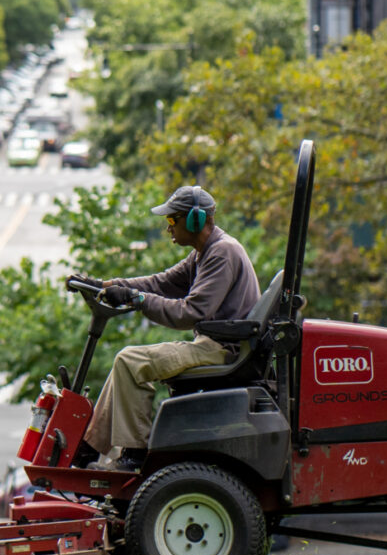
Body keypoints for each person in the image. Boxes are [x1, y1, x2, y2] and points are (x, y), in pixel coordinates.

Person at [67, 185, 260, 471]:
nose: (167, 228)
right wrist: (106, 285)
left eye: (172, 220)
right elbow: (161, 283)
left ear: (194, 220)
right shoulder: (203, 253)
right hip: (215, 345)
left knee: (130, 360)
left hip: (223, 351)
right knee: (127, 363)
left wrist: (138, 300)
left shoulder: (222, 253)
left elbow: (190, 313)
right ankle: (88, 449)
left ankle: (134, 454)